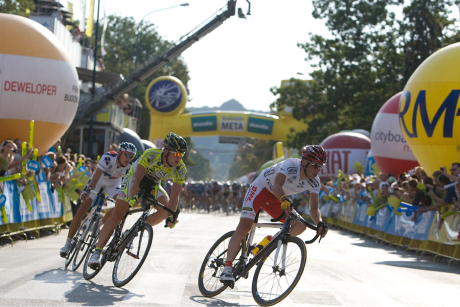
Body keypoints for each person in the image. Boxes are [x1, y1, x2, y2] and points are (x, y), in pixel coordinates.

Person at [219, 145, 329, 283]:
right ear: (305, 161)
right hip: (260, 190)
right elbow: (277, 185)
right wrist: (284, 200)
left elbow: (314, 209)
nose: (318, 170)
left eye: (321, 166)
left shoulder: (315, 182)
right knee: (244, 227)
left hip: (277, 198)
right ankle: (227, 269)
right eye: (315, 165)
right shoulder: (290, 165)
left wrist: (319, 222)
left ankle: (265, 247)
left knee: (299, 226)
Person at [88, 132, 187, 268]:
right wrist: (133, 197)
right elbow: (136, 179)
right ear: (166, 152)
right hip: (134, 179)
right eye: (176, 154)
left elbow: (175, 196)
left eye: (182, 154)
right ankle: (97, 252)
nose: (179, 157)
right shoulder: (151, 154)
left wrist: (171, 216)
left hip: (152, 184)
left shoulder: (180, 169)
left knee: (165, 210)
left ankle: (134, 231)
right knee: (118, 214)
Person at [59, 142, 137, 258]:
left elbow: (127, 186)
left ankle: (101, 223)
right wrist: (87, 191)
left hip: (114, 184)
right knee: (83, 209)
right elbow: (95, 178)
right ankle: (68, 243)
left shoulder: (129, 167)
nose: (129, 158)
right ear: (119, 152)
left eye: (131, 156)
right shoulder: (107, 158)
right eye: (126, 155)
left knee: (121, 206)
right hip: (98, 181)